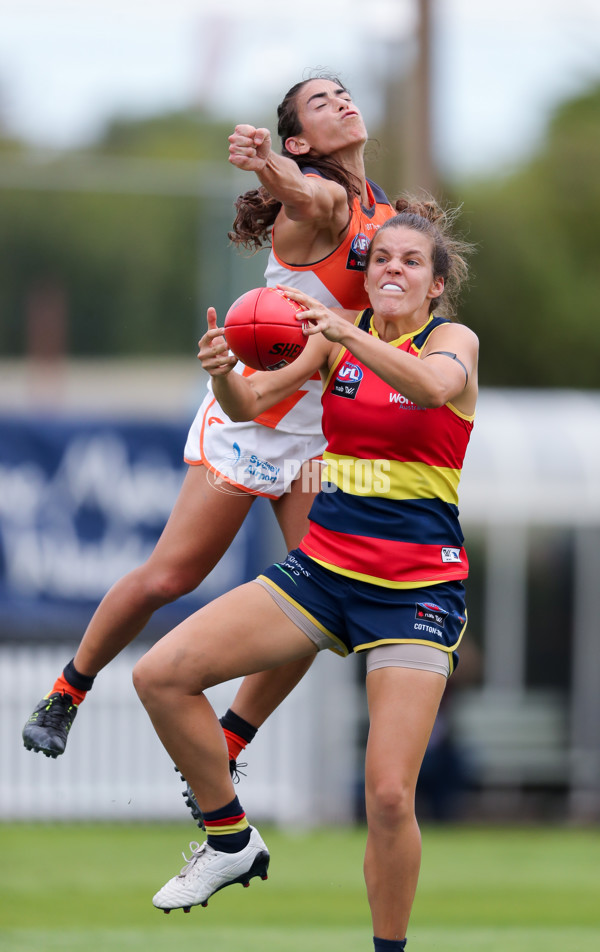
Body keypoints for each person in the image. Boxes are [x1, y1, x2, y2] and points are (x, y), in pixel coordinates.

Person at [22, 76, 396, 798]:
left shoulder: (381, 205)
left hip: (318, 435)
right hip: (253, 412)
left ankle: (228, 740)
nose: (343, 102)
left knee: (320, 601)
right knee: (171, 577)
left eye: (345, 93)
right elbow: (303, 193)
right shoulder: (317, 200)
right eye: (322, 103)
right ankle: (68, 691)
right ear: (298, 142)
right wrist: (264, 166)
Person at [132, 198, 478, 952]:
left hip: (415, 591)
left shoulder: (451, 342)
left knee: (388, 796)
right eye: (382, 257)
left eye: (411, 262)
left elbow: (430, 390)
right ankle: (230, 841)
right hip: (323, 572)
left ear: (435, 287)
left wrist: (345, 330)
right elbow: (252, 404)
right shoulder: (333, 346)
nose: (392, 268)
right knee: (160, 676)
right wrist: (226, 371)